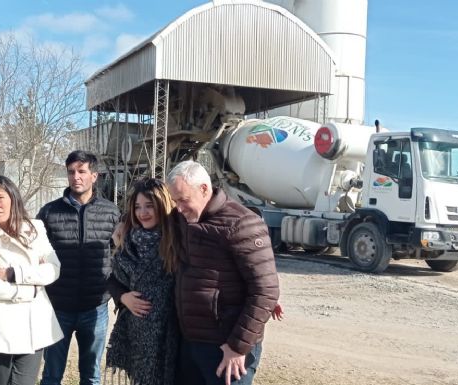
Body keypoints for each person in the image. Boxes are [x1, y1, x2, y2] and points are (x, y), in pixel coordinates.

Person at [165, 160, 280, 385]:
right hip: (191, 343)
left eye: (183, 200)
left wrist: (237, 346)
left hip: (226, 347)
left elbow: (265, 290)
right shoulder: (184, 218)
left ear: (204, 189)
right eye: (175, 201)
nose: (178, 208)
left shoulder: (242, 223)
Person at [38, 150, 120, 385]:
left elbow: (121, 254)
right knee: (51, 375)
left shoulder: (111, 212)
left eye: (82, 171)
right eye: (71, 172)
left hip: (95, 308)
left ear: (94, 176)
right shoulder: (49, 212)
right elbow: (35, 251)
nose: (76, 177)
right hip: (58, 306)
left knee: (91, 376)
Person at [0, 175, 63, 385]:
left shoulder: (35, 228)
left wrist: (12, 274)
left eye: (0, 197)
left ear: (13, 197)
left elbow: (53, 269)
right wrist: (26, 290)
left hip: (33, 324)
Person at [105, 178, 179, 385]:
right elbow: (111, 278)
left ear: (162, 205)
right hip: (136, 331)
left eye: (149, 206)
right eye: (137, 207)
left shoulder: (178, 237)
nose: (142, 213)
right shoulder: (128, 239)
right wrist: (123, 297)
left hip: (171, 331)